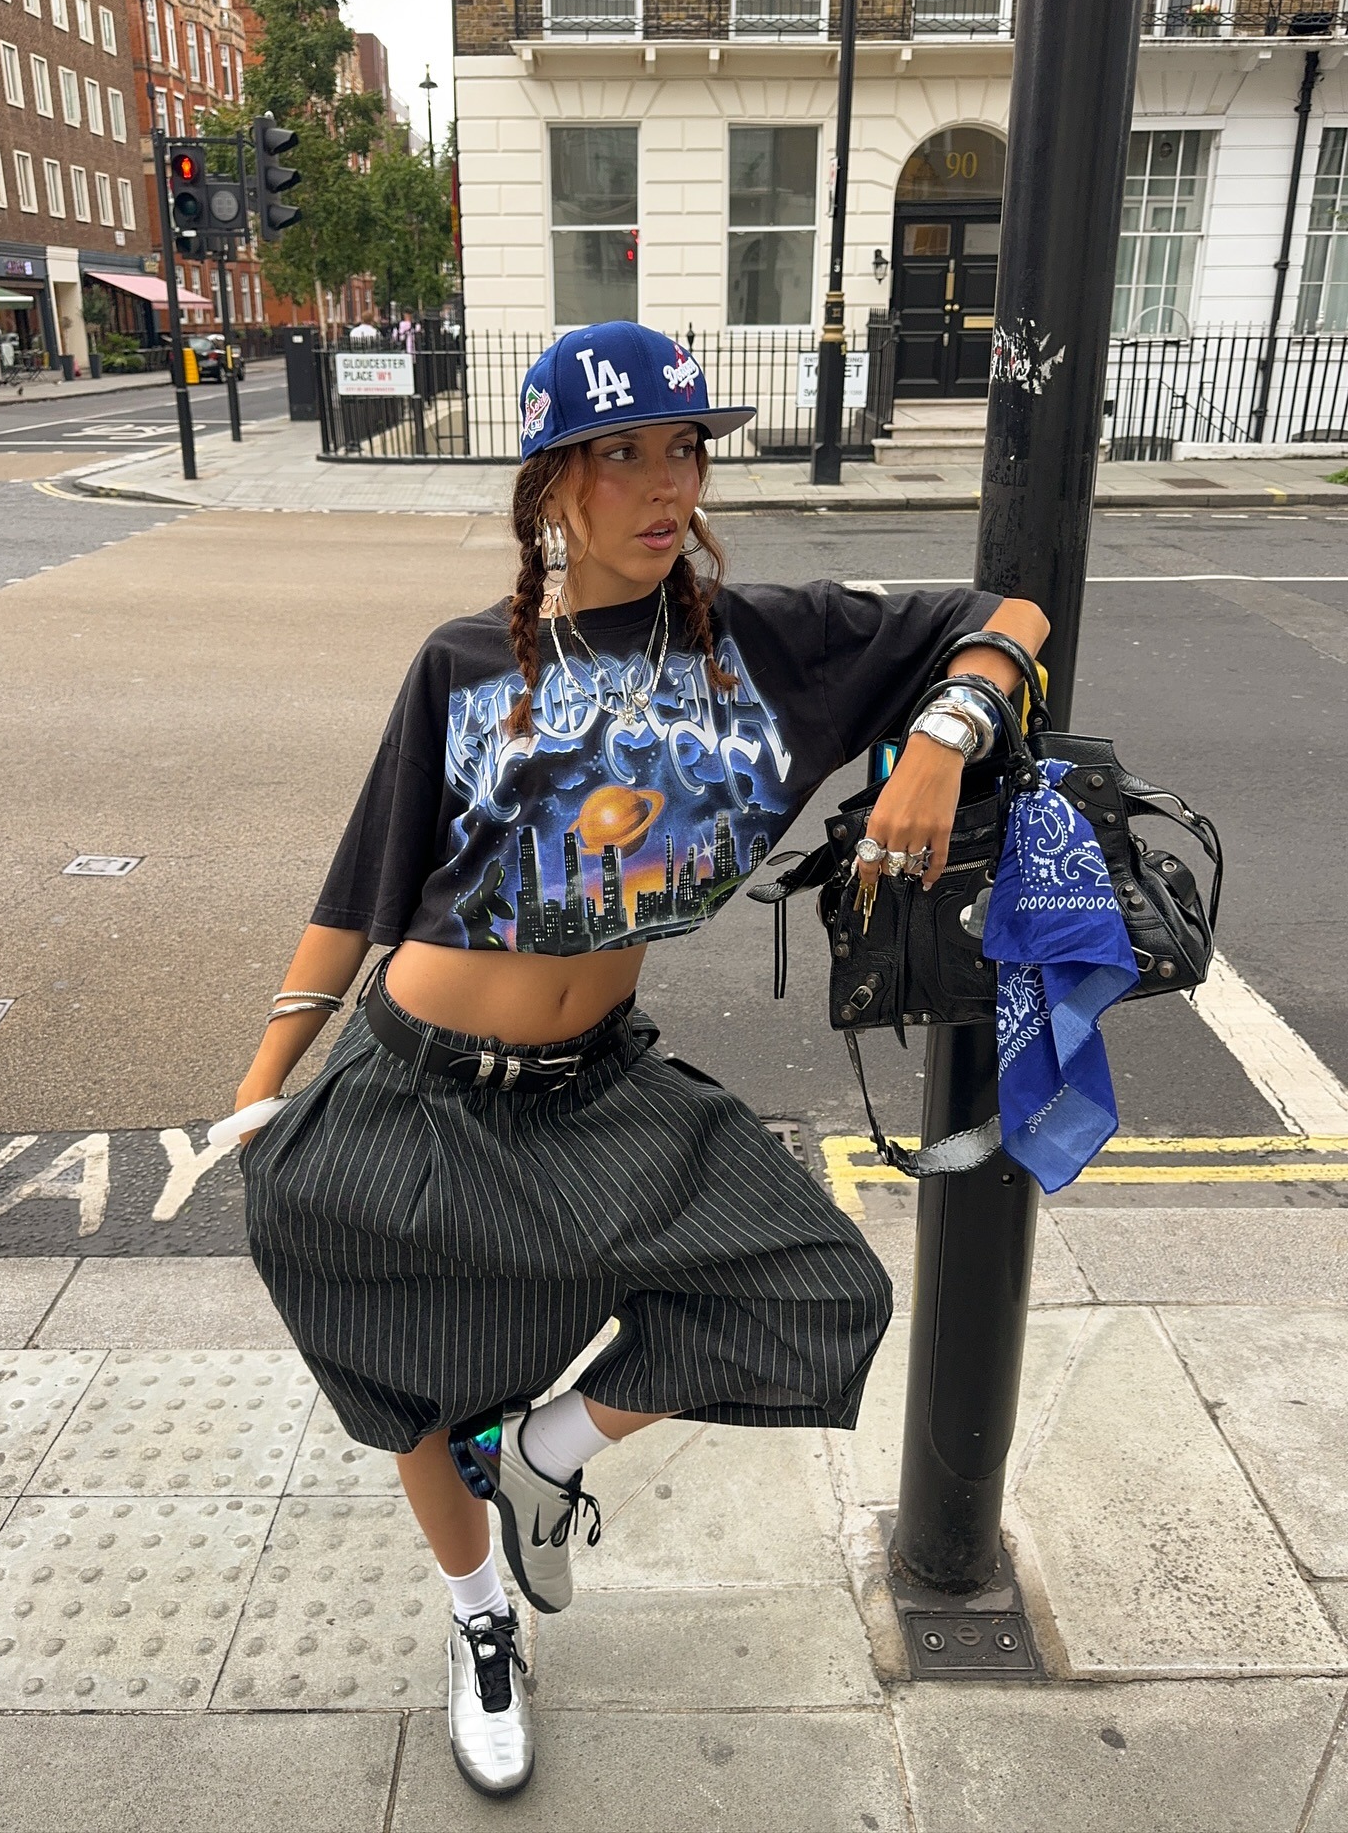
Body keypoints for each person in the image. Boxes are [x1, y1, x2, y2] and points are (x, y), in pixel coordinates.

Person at [233, 320, 1048, 1798]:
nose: (665, 483)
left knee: (821, 1287)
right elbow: (367, 880)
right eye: (623, 453)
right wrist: (259, 1085)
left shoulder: (763, 646)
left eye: (682, 449)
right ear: (553, 485)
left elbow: (1006, 609)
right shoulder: (467, 663)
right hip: (415, 1078)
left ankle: (545, 1454)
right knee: (402, 1370)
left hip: (595, 1090)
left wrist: (943, 726)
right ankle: (482, 1619)